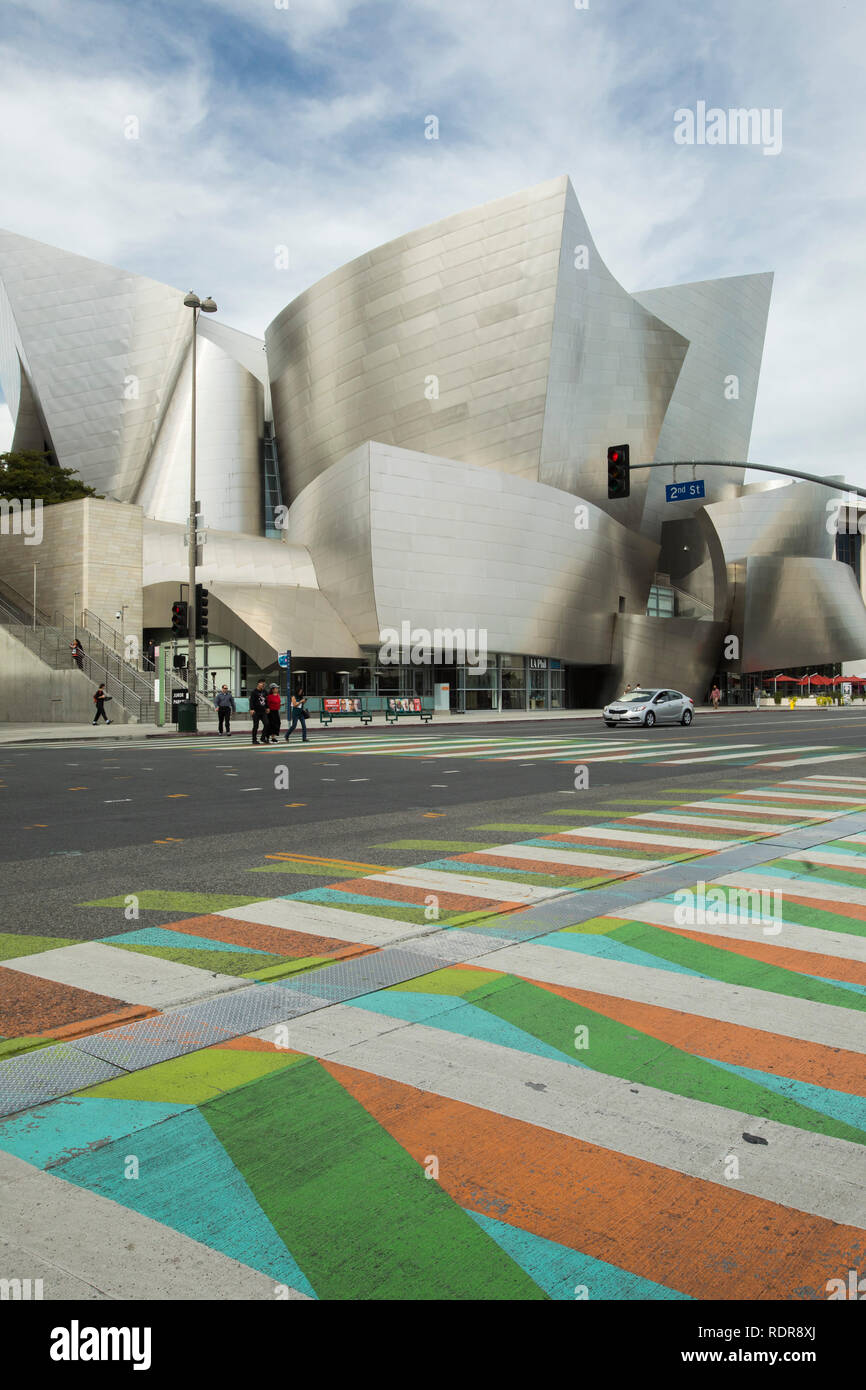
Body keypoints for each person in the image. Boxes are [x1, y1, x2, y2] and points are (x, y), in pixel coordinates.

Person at [249, 679, 268, 744]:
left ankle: (263, 737)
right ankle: (254, 739)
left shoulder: (265, 691)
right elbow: (251, 701)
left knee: (267, 724)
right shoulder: (254, 692)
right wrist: (251, 709)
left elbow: (266, 700)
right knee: (256, 725)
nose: (263, 685)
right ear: (258, 684)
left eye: (264, 684)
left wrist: (267, 707)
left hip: (263, 711)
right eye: (262, 683)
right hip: (256, 711)